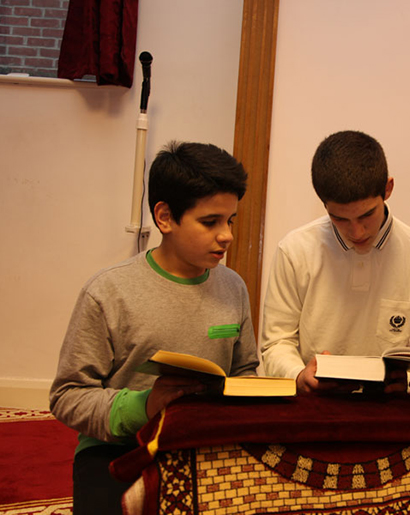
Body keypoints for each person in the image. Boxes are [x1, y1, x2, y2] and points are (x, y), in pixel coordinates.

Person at [49, 141, 260, 515]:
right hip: (117, 447)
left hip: (204, 444)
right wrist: (144, 406)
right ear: (165, 217)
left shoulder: (233, 287)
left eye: (230, 220)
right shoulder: (108, 292)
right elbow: (68, 396)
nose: (226, 235)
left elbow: (245, 371)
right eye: (210, 222)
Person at [260, 130, 410, 394]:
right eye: (339, 219)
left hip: (390, 407)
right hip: (315, 403)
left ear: (388, 189)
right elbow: (277, 342)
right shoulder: (295, 251)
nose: (356, 232)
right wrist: (298, 375)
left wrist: (409, 381)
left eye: (366, 215)